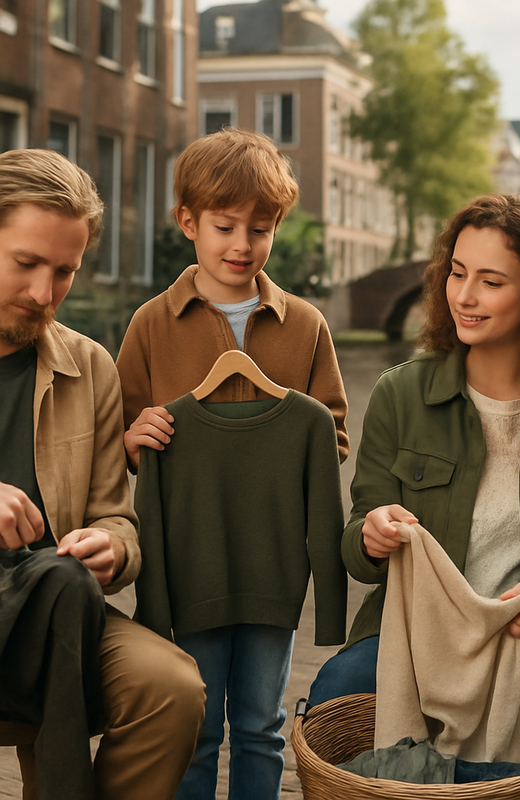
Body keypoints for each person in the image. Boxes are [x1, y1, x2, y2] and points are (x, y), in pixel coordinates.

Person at [308, 194, 520, 800]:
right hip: (417, 629)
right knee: (335, 689)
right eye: (456, 274)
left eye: (490, 282)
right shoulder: (399, 395)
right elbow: (356, 549)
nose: (463, 296)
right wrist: (372, 533)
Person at [115, 127, 350, 800]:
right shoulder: (151, 325)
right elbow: (118, 438)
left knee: (260, 725)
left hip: (274, 565)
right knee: (193, 731)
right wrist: (135, 440)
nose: (242, 245)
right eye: (225, 226)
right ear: (187, 221)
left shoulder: (305, 325)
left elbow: (331, 433)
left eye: (261, 227)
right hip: (188, 562)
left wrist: (285, 445)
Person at [0, 148, 206, 799]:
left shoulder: (90, 367)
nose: (43, 293)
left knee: (171, 688)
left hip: (59, 608)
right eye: (26, 264)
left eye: (64, 272)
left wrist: (112, 548)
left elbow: (116, 515)